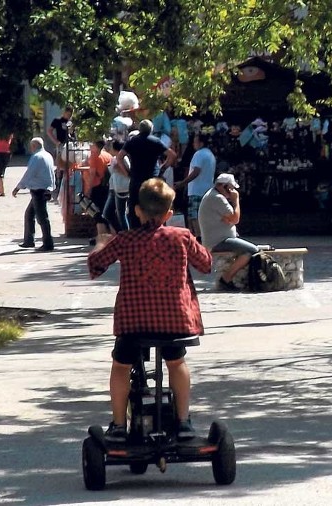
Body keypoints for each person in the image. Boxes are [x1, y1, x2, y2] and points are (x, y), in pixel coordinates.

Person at [87, 178, 212, 442]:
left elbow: (96, 266)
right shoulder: (182, 237)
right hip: (175, 322)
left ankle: (119, 425)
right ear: (169, 213)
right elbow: (206, 264)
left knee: (121, 365)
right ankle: (183, 421)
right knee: (176, 362)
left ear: (136, 210)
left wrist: (101, 243)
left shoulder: (125, 240)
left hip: (134, 324)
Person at [198, 173, 259, 291]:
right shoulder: (217, 198)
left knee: (248, 251)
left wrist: (229, 219)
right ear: (223, 186)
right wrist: (236, 200)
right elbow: (235, 219)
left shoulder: (212, 195)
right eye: (230, 188)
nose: (231, 191)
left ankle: (228, 278)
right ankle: (226, 278)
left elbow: (230, 219)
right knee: (253, 250)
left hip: (220, 238)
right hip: (219, 241)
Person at [117, 119, 177, 229]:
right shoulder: (155, 141)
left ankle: (135, 233)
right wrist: (163, 168)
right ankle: (156, 231)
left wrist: (127, 172)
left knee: (134, 208)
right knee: (155, 207)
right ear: (151, 129)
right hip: (152, 180)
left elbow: (119, 157)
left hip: (136, 179)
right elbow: (172, 155)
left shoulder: (132, 141)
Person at [12, 137, 56, 252]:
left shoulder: (36, 157)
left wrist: (18, 187)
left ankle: (48, 243)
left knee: (42, 218)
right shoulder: (48, 155)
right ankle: (29, 240)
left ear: (34, 146)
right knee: (30, 214)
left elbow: (29, 174)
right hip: (45, 188)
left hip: (39, 190)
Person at [174, 132, 216, 239]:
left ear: (201, 143)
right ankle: (203, 236)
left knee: (194, 216)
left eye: (195, 142)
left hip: (197, 190)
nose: (193, 144)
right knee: (203, 216)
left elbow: (196, 171)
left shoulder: (199, 154)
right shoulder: (210, 154)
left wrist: (183, 182)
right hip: (207, 189)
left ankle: (199, 237)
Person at [102, 140, 131, 232]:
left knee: (121, 213)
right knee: (107, 213)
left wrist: (118, 168)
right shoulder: (114, 158)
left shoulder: (123, 158)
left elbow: (128, 173)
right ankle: (120, 232)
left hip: (122, 188)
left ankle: (125, 234)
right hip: (114, 187)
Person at [47, 105, 73, 194]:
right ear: (64, 112)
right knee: (59, 163)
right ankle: (58, 183)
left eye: (70, 114)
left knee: (69, 163)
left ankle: (67, 183)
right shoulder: (57, 120)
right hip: (61, 143)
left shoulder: (71, 121)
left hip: (70, 143)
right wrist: (56, 141)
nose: (68, 116)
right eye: (67, 114)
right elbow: (49, 131)